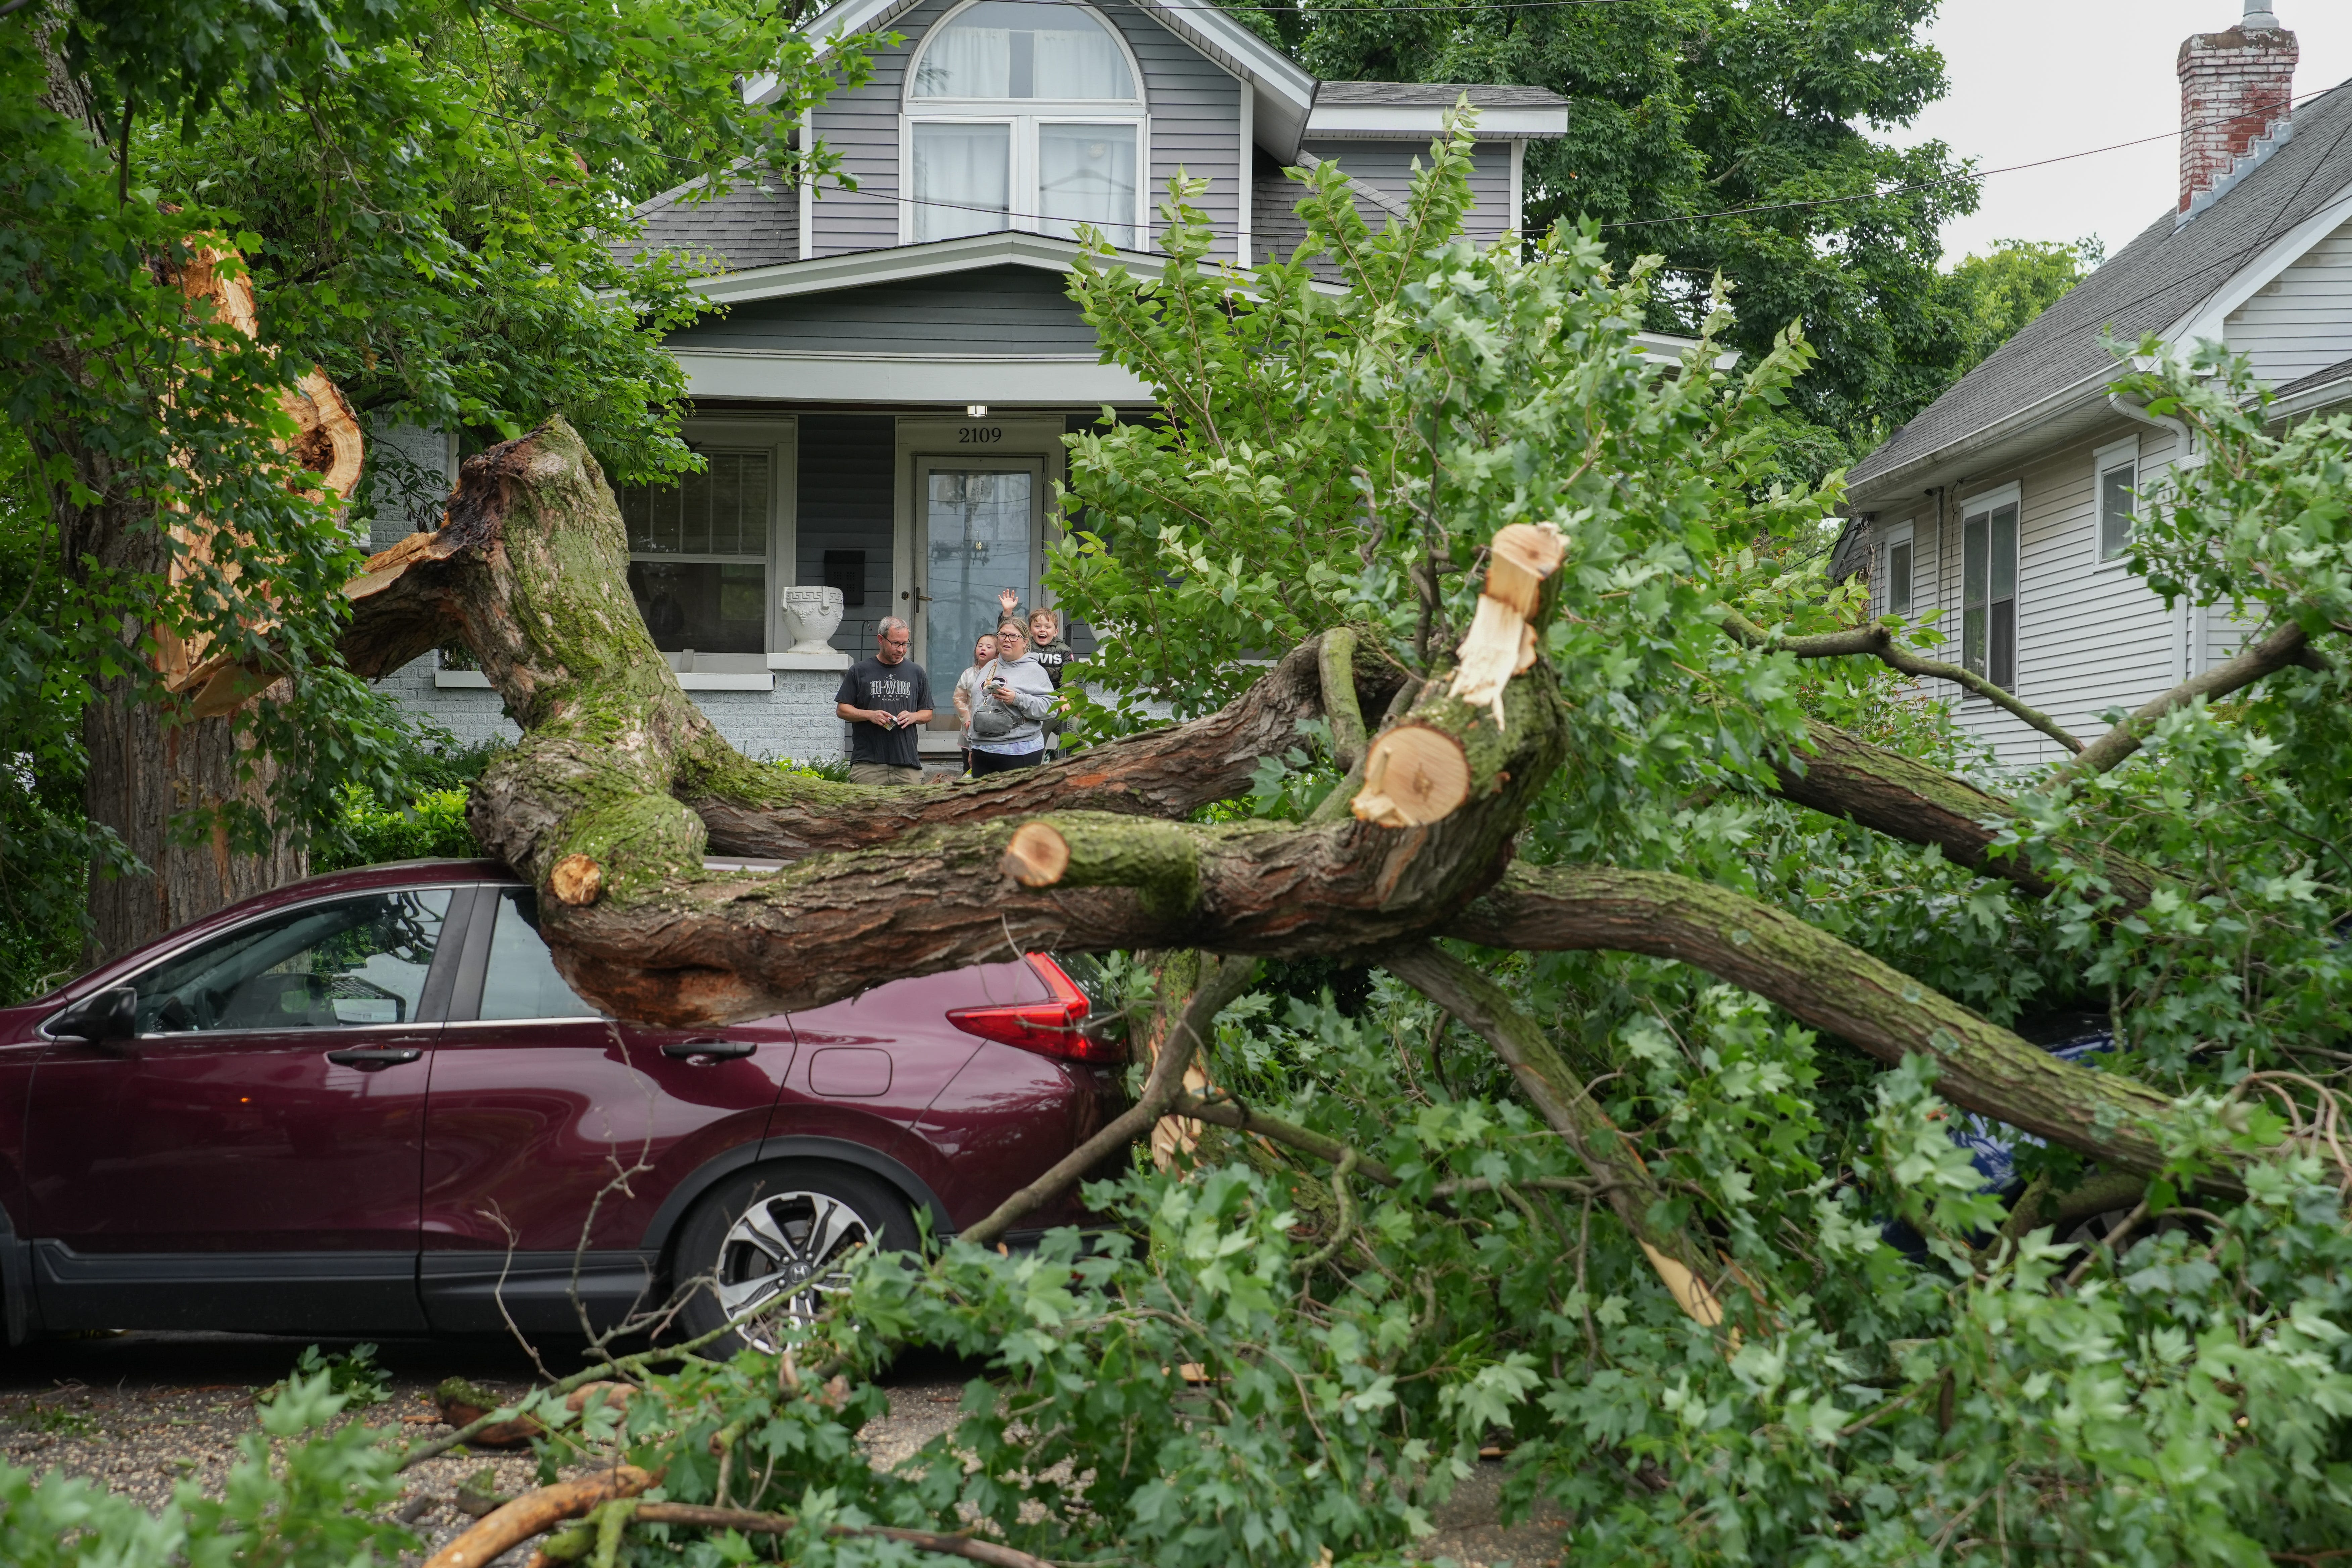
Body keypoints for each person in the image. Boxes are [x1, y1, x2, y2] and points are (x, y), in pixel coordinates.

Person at [834, 618, 933, 786]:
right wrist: (869, 715)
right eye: (895, 644)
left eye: (905, 644)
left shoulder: (916, 672)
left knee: (909, 812)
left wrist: (913, 717)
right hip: (868, 764)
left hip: (907, 762)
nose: (901, 650)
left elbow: (928, 713)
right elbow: (842, 710)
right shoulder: (860, 671)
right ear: (881, 640)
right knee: (866, 812)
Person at [965, 619, 1054, 775]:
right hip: (983, 751)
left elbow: (1050, 709)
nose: (1007, 640)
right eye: (1003, 635)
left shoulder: (1035, 671)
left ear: (1025, 642)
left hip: (1020, 751)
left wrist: (1017, 700)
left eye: (1014, 636)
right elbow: (978, 707)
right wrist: (973, 746)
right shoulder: (989, 666)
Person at [951, 631, 998, 780]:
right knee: (969, 768)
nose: (983, 649)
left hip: (992, 730)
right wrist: (967, 719)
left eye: (989, 647)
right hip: (969, 728)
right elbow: (959, 698)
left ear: (998, 653)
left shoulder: (1001, 675)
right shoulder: (968, 674)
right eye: (980, 646)